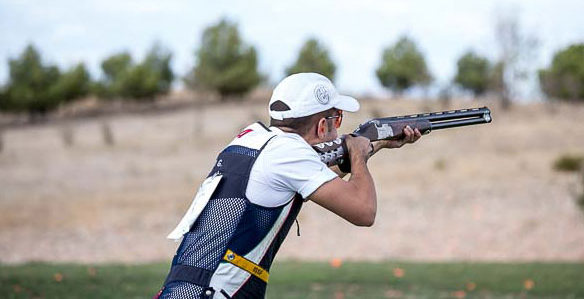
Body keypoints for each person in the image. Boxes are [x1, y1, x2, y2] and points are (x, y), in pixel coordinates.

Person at [155, 73, 422, 299]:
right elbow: (364, 211)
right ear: (321, 125)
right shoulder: (290, 153)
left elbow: (313, 179)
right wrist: (358, 154)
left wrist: (379, 143)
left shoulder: (252, 138)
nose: (339, 130)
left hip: (185, 288)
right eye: (338, 119)